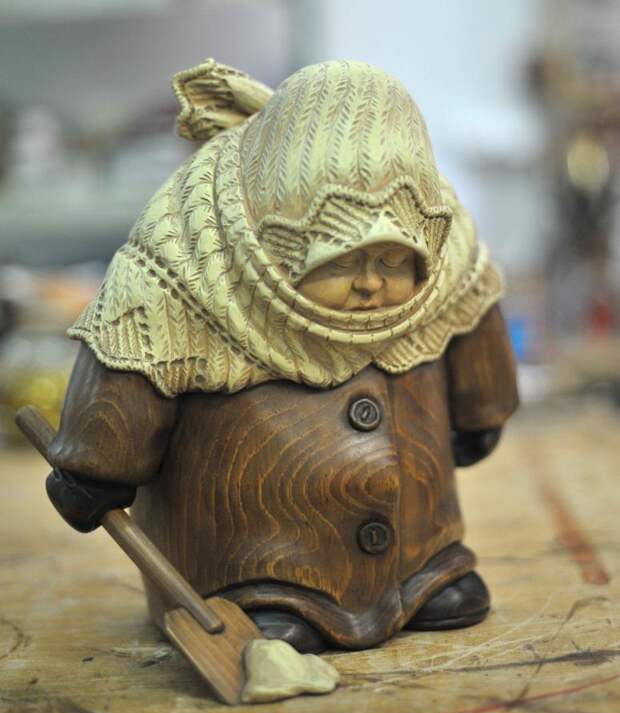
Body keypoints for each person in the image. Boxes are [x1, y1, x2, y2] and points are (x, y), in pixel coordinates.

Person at [46, 60, 518, 653]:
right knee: (260, 578)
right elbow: (130, 361)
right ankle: (267, 594)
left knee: (425, 547)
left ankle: (426, 573)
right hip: (248, 544)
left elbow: (474, 315)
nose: (371, 284)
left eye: (394, 262)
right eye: (342, 261)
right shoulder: (187, 256)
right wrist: (96, 463)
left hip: (417, 530)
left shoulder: (448, 244)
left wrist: (482, 408)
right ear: (280, 237)